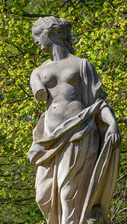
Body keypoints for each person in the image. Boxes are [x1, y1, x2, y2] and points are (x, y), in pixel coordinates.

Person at [27, 16, 121, 224]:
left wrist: (112, 123)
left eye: (37, 35)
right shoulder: (38, 72)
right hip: (50, 139)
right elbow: (40, 94)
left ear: (52, 33)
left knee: (68, 193)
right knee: (42, 196)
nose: (35, 41)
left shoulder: (82, 65)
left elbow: (99, 103)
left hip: (80, 132)